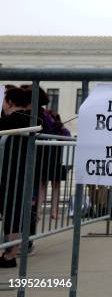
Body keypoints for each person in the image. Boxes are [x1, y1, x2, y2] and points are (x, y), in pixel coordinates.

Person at [0, 86, 34, 268]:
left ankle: (9, 254)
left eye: (4, 102)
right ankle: (10, 253)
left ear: (10, 102)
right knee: (16, 212)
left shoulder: (10, 121)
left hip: (9, 172)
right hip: (24, 172)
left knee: (11, 214)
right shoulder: (31, 119)